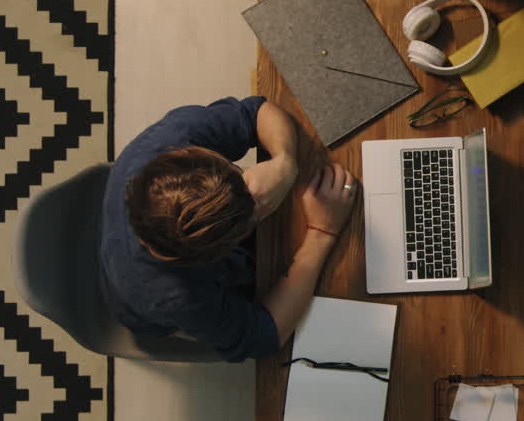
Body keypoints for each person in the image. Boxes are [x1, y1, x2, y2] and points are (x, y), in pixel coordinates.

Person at [99, 96, 358, 361]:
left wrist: (284, 162)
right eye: (251, 216)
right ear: (216, 255)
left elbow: (256, 112)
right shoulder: (178, 295)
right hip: (141, 307)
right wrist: (322, 232)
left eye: (237, 174)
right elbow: (263, 336)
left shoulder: (173, 138)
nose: (257, 195)